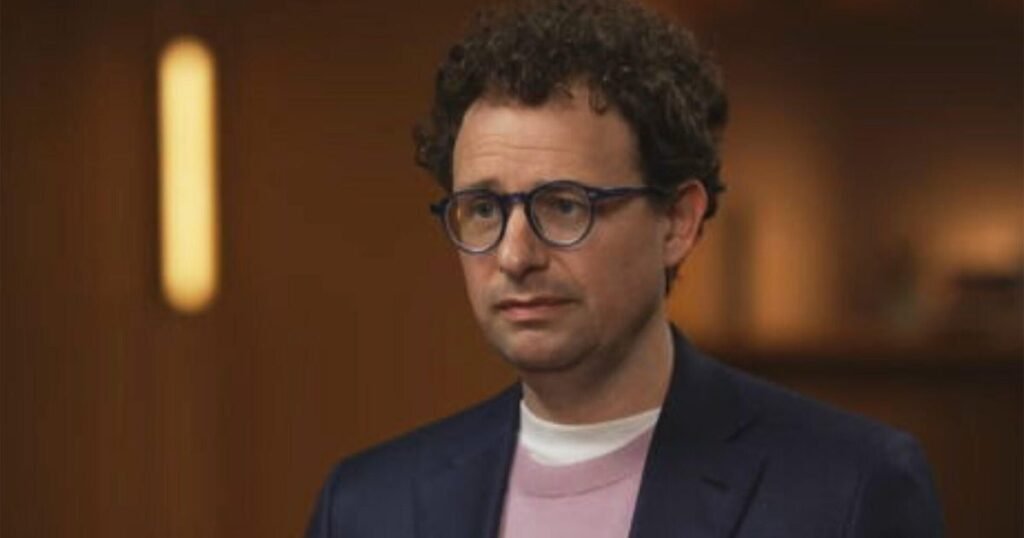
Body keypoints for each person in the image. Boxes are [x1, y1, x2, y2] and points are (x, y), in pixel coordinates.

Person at [305, 0, 945, 536]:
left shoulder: (849, 489)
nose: (515, 256)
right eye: (483, 209)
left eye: (565, 205)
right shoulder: (367, 506)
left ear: (678, 222)